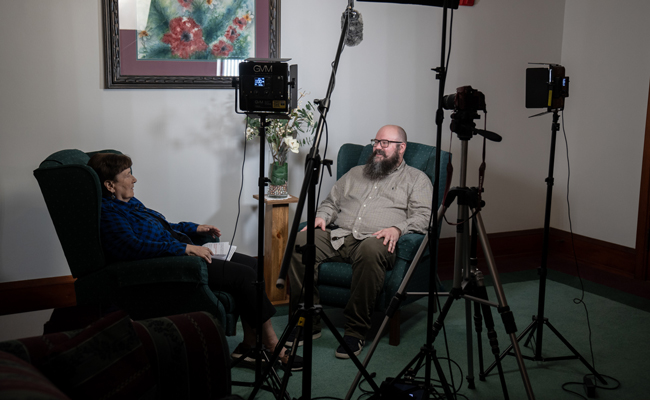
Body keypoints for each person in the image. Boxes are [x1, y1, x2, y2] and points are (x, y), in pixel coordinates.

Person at [87, 152, 301, 371]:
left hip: (180, 254)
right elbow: (134, 248)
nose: (134, 180)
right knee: (244, 276)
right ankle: (274, 345)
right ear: (110, 185)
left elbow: (164, 226)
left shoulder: (130, 203)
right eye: (128, 175)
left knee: (252, 265)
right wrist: (185, 248)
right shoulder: (109, 214)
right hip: (173, 267)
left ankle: (249, 346)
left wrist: (194, 228)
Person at [288, 125, 433, 359]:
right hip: (341, 235)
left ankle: (355, 331)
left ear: (401, 148)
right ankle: (307, 322)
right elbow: (330, 203)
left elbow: (424, 217)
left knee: (370, 249)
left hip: (377, 240)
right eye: (376, 141)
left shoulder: (417, 179)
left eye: (384, 143)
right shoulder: (355, 173)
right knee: (301, 241)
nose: (377, 147)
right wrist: (322, 217)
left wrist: (398, 228)